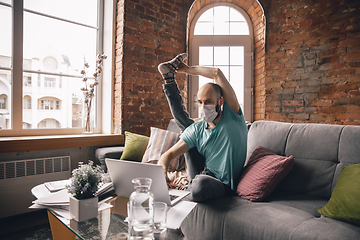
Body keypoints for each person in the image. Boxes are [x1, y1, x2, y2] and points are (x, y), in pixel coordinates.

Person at [157, 53, 248, 202]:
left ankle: (186, 189)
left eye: (208, 102)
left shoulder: (233, 117)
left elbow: (216, 73)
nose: (203, 106)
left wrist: (186, 70)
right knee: (187, 128)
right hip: (201, 174)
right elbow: (167, 155)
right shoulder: (198, 129)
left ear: (220, 102)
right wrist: (162, 172)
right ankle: (168, 79)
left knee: (201, 184)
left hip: (221, 185)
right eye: (199, 102)